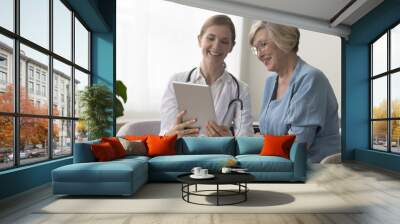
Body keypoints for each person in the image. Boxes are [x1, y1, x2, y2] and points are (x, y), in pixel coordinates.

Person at [248, 21, 340, 163]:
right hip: (280, 164)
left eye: (263, 45)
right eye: (255, 49)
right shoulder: (270, 82)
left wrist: (256, 144)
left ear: (284, 40)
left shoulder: (311, 78)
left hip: (313, 170)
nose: (259, 54)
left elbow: (298, 144)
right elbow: (265, 134)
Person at [160, 15, 254, 138]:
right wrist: (172, 133)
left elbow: (245, 138)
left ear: (231, 46)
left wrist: (229, 138)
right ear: (200, 40)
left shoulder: (241, 90)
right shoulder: (176, 81)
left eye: (224, 41)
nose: (216, 46)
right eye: (210, 38)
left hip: (219, 154)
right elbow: (164, 134)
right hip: (182, 153)